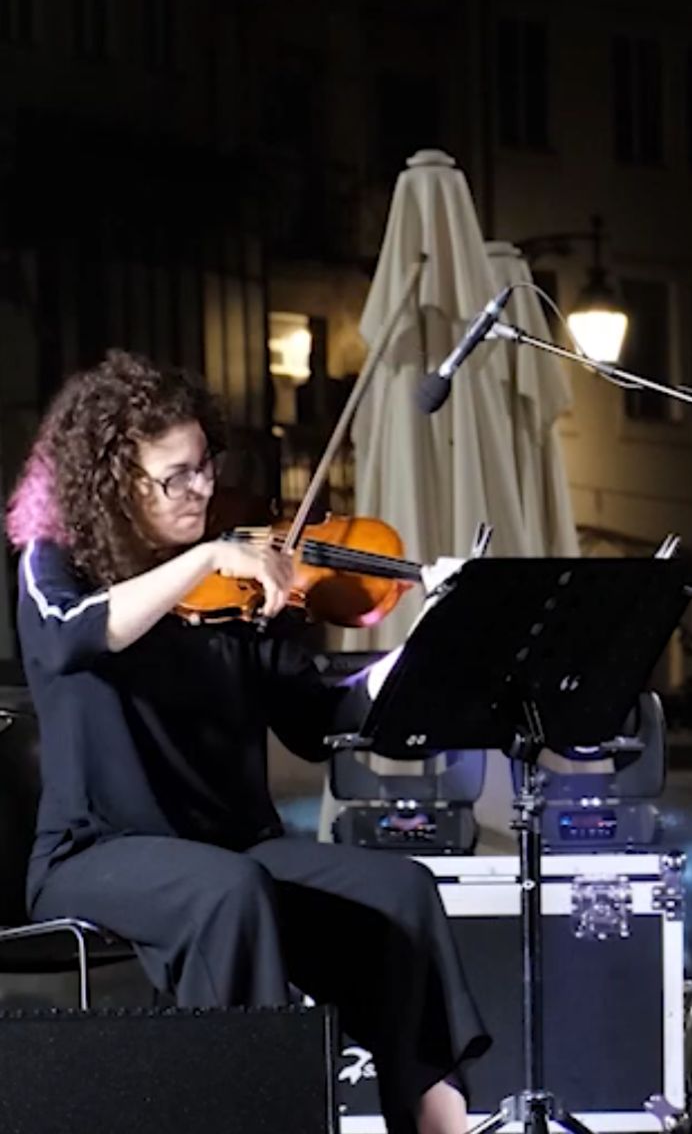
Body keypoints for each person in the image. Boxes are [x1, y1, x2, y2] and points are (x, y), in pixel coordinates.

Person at [5, 351, 489, 1134]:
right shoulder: (58, 564)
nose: (200, 489)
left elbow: (316, 716)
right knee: (229, 895)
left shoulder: (243, 582)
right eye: (176, 476)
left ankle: (439, 1125)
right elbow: (66, 640)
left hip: (234, 845)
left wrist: (422, 652)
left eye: (206, 467)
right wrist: (201, 557)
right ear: (113, 479)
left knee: (402, 894)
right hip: (96, 852)